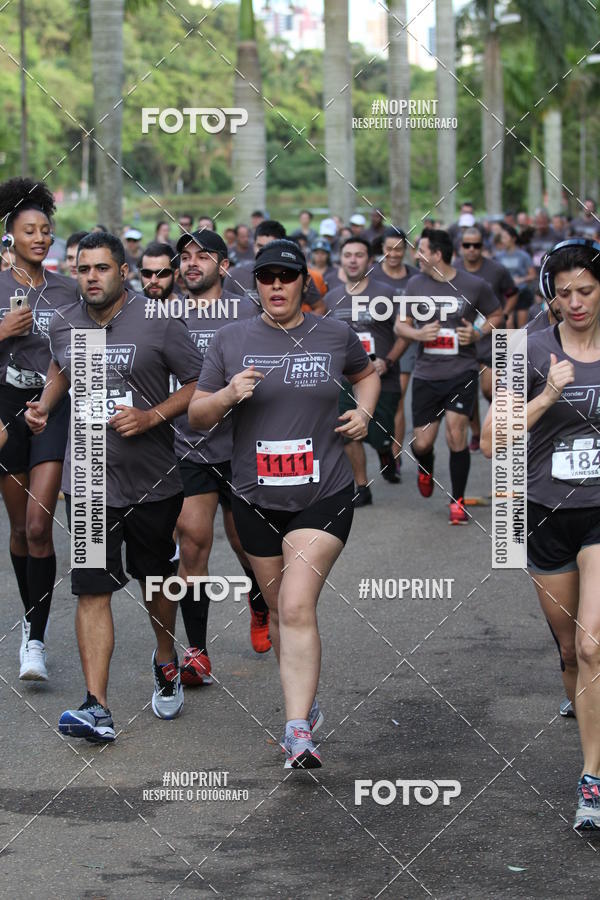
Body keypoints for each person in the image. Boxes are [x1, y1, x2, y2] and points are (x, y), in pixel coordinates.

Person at [188, 239, 380, 768]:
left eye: (287, 277)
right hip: (253, 496)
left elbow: (367, 375)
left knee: (296, 605)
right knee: (277, 611)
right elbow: (199, 416)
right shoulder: (230, 340)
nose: (277, 285)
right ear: (256, 285)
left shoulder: (334, 335)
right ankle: (305, 704)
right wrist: (228, 395)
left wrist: (364, 414)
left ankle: (297, 732)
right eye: (267, 277)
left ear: (304, 284)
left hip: (324, 493)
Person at [25, 231, 203, 741]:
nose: (92, 278)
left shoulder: (158, 322)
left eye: (102, 268)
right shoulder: (64, 323)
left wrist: (151, 417)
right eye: (83, 269)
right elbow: (63, 367)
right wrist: (45, 404)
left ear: (122, 272)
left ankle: (165, 658)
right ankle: (95, 705)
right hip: (89, 482)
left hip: (153, 481)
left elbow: (197, 383)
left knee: (155, 583)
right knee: (92, 589)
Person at [481, 238, 600, 830]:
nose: (576, 302)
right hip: (547, 510)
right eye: (565, 293)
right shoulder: (525, 350)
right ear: (549, 296)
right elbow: (491, 441)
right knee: (569, 650)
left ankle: (592, 779)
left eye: (587, 290)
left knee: (592, 643)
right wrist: (549, 393)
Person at [173, 230, 271, 679]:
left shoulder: (250, 313)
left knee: (245, 544)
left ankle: (259, 605)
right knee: (193, 543)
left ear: (224, 265)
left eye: (204, 255)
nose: (193, 263)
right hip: (188, 448)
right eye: (186, 256)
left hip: (241, 449)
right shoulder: (166, 317)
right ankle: (196, 650)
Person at [0, 176, 76, 681]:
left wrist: (47, 401)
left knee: (37, 526)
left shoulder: (68, 290)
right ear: (11, 236)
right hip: (5, 407)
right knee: (17, 532)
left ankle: (36, 639)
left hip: (51, 407)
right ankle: (31, 620)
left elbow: (75, 357)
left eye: (46, 230)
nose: (41, 238)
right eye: (30, 230)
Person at [396, 228, 503, 523]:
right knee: (422, 444)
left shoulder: (474, 285)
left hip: (462, 372)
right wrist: (418, 333)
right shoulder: (415, 284)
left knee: (457, 434)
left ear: (437, 255)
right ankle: (425, 467)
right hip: (427, 375)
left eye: (421, 250)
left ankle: (457, 501)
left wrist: (478, 332)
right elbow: (400, 325)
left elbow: (497, 314)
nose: (416, 255)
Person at [324, 236, 408, 502]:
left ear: (370, 261)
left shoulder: (388, 294)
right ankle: (362, 487)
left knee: (380, 433)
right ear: (341, 259)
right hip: (346, 378)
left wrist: (388, 361)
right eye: (347, 254)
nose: (352, 260)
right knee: (348, 430)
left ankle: (385, 451)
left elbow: (406, 334)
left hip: (383, 374)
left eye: (359, 255)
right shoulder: (331, 298)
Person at [455, 225, 517, 450]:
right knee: (468, 390)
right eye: (467, 245)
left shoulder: (496, 270)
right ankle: (476, 432)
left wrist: (504, 313)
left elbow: (512, 294)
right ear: (460, 247)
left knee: (490, 389)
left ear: (483, 246)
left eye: (477, 245)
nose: (471, 249)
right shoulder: (453, 270)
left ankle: (497, 422)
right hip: (463, 336)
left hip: (493, 334)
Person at [371, 227, 418, 480]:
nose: (393, 254)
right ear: (381, 249)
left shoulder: (414, 277)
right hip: (375, 344)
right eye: (389, 248)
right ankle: (382, 447)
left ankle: (395, 458)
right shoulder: (372, 276)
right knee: (377, 404)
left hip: (405, 343)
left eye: (398, 249)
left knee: (397, 400)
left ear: (406, 250)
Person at [227, 220, 327, 314]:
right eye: (259, 246)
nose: (263, 252)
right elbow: (225, 312)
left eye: (269, 247)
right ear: (253, 245)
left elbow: (320, 307)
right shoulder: (234, 276)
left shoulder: (296, 275)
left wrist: (302, 330)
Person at [494, 223, 536, 327]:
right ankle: (507, 344)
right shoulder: (498, 256)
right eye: (501, 238)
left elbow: (533, 275)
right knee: (507, 323)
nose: (502, 240)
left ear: (513, 239)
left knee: (522, 326)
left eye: (505, 237)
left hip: (522, 292)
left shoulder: (523, 255)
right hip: (506, 294)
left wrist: (521, 280)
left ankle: (521, 344)